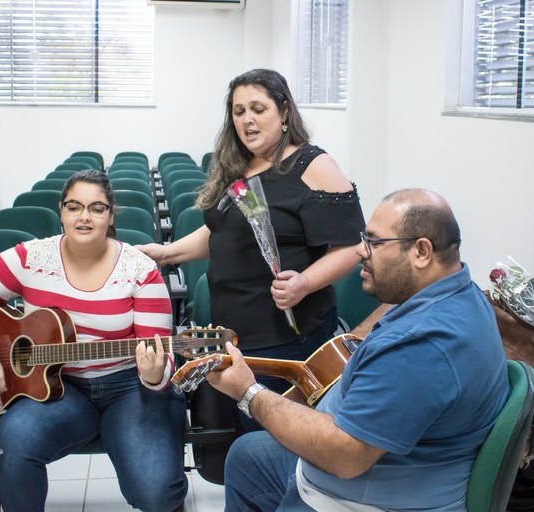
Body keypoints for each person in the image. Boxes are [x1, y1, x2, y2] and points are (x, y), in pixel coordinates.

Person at [206, 188, 511, 511]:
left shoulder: (423, 346)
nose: (361, 251)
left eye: (375, 243)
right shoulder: (458, 291)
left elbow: (344, 457)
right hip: (384, 468)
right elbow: (390, 316)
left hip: (358, 497)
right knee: (247, 455)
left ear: (421, 251)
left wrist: (249, 393)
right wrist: (350, 341)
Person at [0, 169, 187, 512]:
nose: (84, 217)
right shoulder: (31, 258)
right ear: (61, 211)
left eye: (97, 208)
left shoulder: (140, 270)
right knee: (12, 443)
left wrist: (154, 374)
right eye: (74, 207)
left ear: (111, 215)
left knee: (155, 492)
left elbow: (162, 358)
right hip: (56, 388)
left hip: (129, 389)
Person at [138, 68, 365, 397]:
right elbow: (224, 232)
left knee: (274, 436)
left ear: (284, 112)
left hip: (288, 338)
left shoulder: (313, 166)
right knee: (243, 435)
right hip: (234, 333)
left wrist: (305, 283)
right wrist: (167, 253)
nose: (247, 120)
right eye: (239, 111)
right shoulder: (239, 165)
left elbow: (352, 246)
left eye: (258, 109)